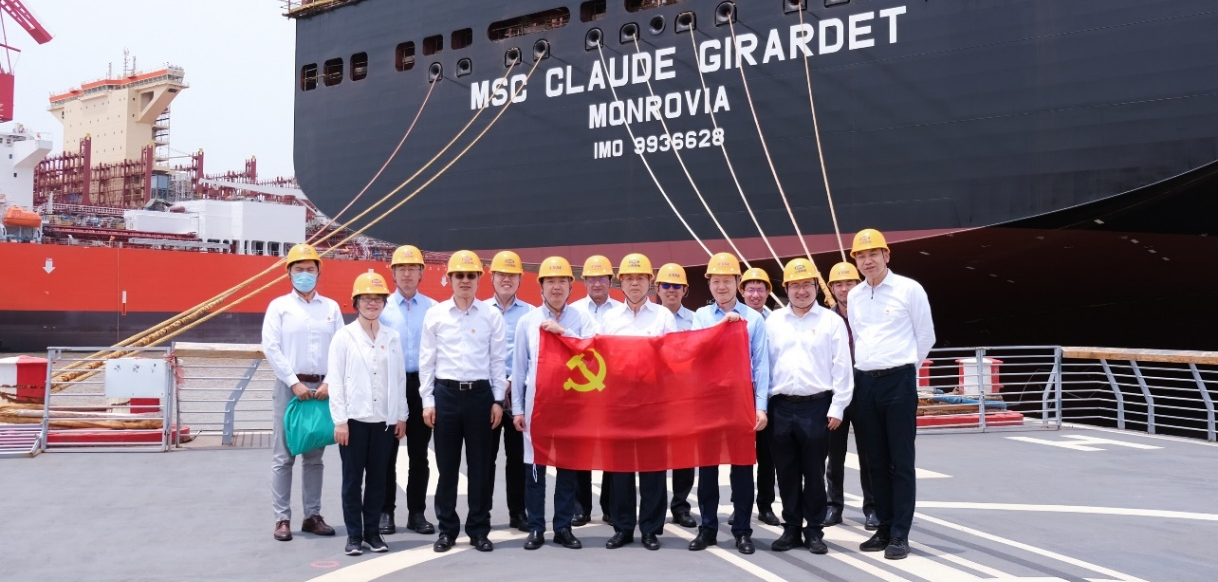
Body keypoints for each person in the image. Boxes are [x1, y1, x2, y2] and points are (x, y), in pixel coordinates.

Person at [848, 229, 936, 560]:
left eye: (873, 254)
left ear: (886, 255)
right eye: (860, 256)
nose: (867, 261)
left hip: (898, 381)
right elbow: (859, 336)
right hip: (864, 382)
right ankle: (883, 527)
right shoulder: (855, 296)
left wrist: (904, 368)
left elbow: (925, 335)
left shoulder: (909, 289)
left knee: (901, 461)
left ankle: (900, 533)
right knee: (875, 461)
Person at [420, 250, 508, 553]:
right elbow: (427, 361)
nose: (465, 280)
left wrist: (498, 400)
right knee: (446, 468)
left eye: (471, 275)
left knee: (480, 468)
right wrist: (427, 401)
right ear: (449, 278)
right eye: (460, 275)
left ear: (479, 279)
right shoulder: (436, 315)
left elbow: (498, 361)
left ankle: (479, 529)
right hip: (445, 395)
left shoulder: (491, 316)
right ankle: (447, 529)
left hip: (480, 396)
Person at [765, 258, 854, 555]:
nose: (801, 291)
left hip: (817, 406)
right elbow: (764, 365)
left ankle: (814, 530)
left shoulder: (831, 321)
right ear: (786, 288)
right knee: (786, 471)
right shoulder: (773, 321)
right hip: (780, 406)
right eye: (795, 285)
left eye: (807, 285)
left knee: (814, 472)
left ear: (816, 287)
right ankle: (791, 527)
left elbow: (842, 365)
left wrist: (838, 407)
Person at [511, 256, 598, 551]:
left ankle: (562, 527)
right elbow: (519, 368)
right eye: (551, 281)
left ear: (571, 286)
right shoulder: (527, 321)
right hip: (538, 405)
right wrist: (518, 409)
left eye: (562, 281)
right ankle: (536, 527)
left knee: (568, 469)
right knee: (535, 469)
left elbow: (593, 354)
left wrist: (565, 334)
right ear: (541, 287)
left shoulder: (582, 320)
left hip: (573, 406)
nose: (556, 287)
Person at [688, 252, 770, 555]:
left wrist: (760, 406)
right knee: (707, 468)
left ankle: (743, 530)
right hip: (709, 401)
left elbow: (761, 365)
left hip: (740, 400)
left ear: (738, 282)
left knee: (742, 467)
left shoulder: (754, 319)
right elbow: (696, 351)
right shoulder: (701, 316)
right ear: (709, 283)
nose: (721, 286)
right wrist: (724, 325)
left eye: (727, 280)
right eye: (716, 281)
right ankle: (707, 528)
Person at [262, 243, 343, 542]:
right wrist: (293, 381)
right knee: (283, 456)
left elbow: (340, 348)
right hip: (289, 389)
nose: (305, 274)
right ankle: (282, 518)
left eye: (310, 269)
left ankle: (312, 516)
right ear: (289, 273)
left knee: (314, 457)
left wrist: (330, 382)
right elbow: (271, 346)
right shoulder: (279, 307)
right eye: (299, 269)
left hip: (321, 390)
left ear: (319, 272)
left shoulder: (331, 308)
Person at [599, 253, 678, 551]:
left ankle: (651, 529)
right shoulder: (609, 319)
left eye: (640, 278)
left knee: (653, 469)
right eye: (629, 278)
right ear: (621, 283)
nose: (634, 283)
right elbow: (598, 358)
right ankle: (622, 528)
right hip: (619, 404)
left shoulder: (663, 317)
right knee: (620, 469)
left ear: (650, 282)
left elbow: (675, 358)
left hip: (653, 403)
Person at [327, 272, 409, 556]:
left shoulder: (392, 337)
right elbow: (336, 381)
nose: (372, 303)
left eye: (377, 299)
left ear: (384, 303)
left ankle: (372, 533)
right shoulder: (343, 337)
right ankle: (354, 535)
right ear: (356, 302)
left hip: (383, 422)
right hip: (354, 422)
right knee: (352, 481)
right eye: (366, 298)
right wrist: (340, 421)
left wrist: (401, 415)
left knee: (377, 480)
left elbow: (399, 378)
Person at [378, 245, 438, 535]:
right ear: (392, 273)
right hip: (390, 385)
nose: (406, 273)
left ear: (421, 273)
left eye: (412, 268)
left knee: (419, 454)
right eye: (401, 268)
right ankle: (385, 512)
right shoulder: (382, 308)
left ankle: (417, 513)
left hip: (421, 386)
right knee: (386, 454)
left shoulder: (433, 308)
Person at [822, 261, 877, 530]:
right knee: (834, 454)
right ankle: (834, 506)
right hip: (835, 392)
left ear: (858, 285)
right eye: (839, 284)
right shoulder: (825, 320)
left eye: (850, 283)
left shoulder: (871, 314)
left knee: (869, 453)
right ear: (831, 288)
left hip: (865, 388)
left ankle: (873, 508)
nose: (845, 289)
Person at [570, 254, 621, 527]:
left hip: (613, 390)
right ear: (584, 281)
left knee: (611, 448)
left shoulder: (621, 311)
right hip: (581, 390)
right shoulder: (574, 311)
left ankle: (611, 506)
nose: (597, 283)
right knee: (581, 448)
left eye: (602, 278)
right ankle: (581, 508)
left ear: (610, 281)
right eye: (592, 278)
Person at [485, 251, 533, 532]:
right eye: (502, 274)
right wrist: (496, 384)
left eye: (512, 275)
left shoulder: (530, 313)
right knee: (484, 459)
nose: (507, 279)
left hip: (519, 395)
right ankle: (483, 513)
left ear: (520, 279)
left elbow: (533, 355)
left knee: (517, 458)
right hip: (487, 395)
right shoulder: (480, 311)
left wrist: (513, 380)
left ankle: (518, 512)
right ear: (492, 277)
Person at [654, 262, 698, 529]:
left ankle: (681, 506)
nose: (671, 290)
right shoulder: (649, 318)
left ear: (685, 290)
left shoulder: (696, 320)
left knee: (684, 455)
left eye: (676, 285)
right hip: (655, 398)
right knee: (657, 456)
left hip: (685, 396)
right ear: (657, 289)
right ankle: (657, 508)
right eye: (666, 285)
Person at [738, 266, 780, 528]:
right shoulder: (736, 318)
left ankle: (765, 504)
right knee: (740, 452)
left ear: (767, 292)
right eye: (750, 289)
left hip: (767, 393)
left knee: (767, 454)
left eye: (760, 289)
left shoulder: (776, 321)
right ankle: (739, 504)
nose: (755, 294)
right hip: (741, 392)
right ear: (742, 292)